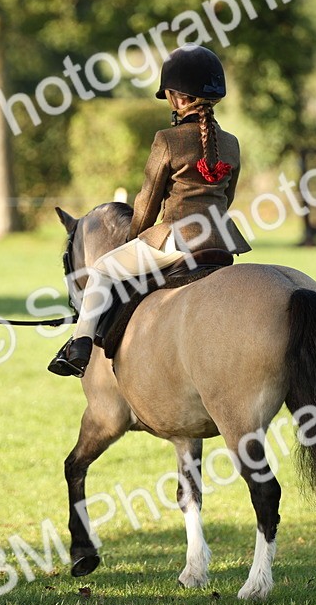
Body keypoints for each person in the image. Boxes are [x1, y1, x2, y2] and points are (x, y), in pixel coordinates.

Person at [48, 45, 251, 378]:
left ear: (178, 98)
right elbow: (227, 196)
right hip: (222, 242)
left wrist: (133, 238)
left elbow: (147, 200)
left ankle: (79, 346)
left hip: (178, 241)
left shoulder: (167, 139)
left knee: (101, 269)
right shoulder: (232, 142)